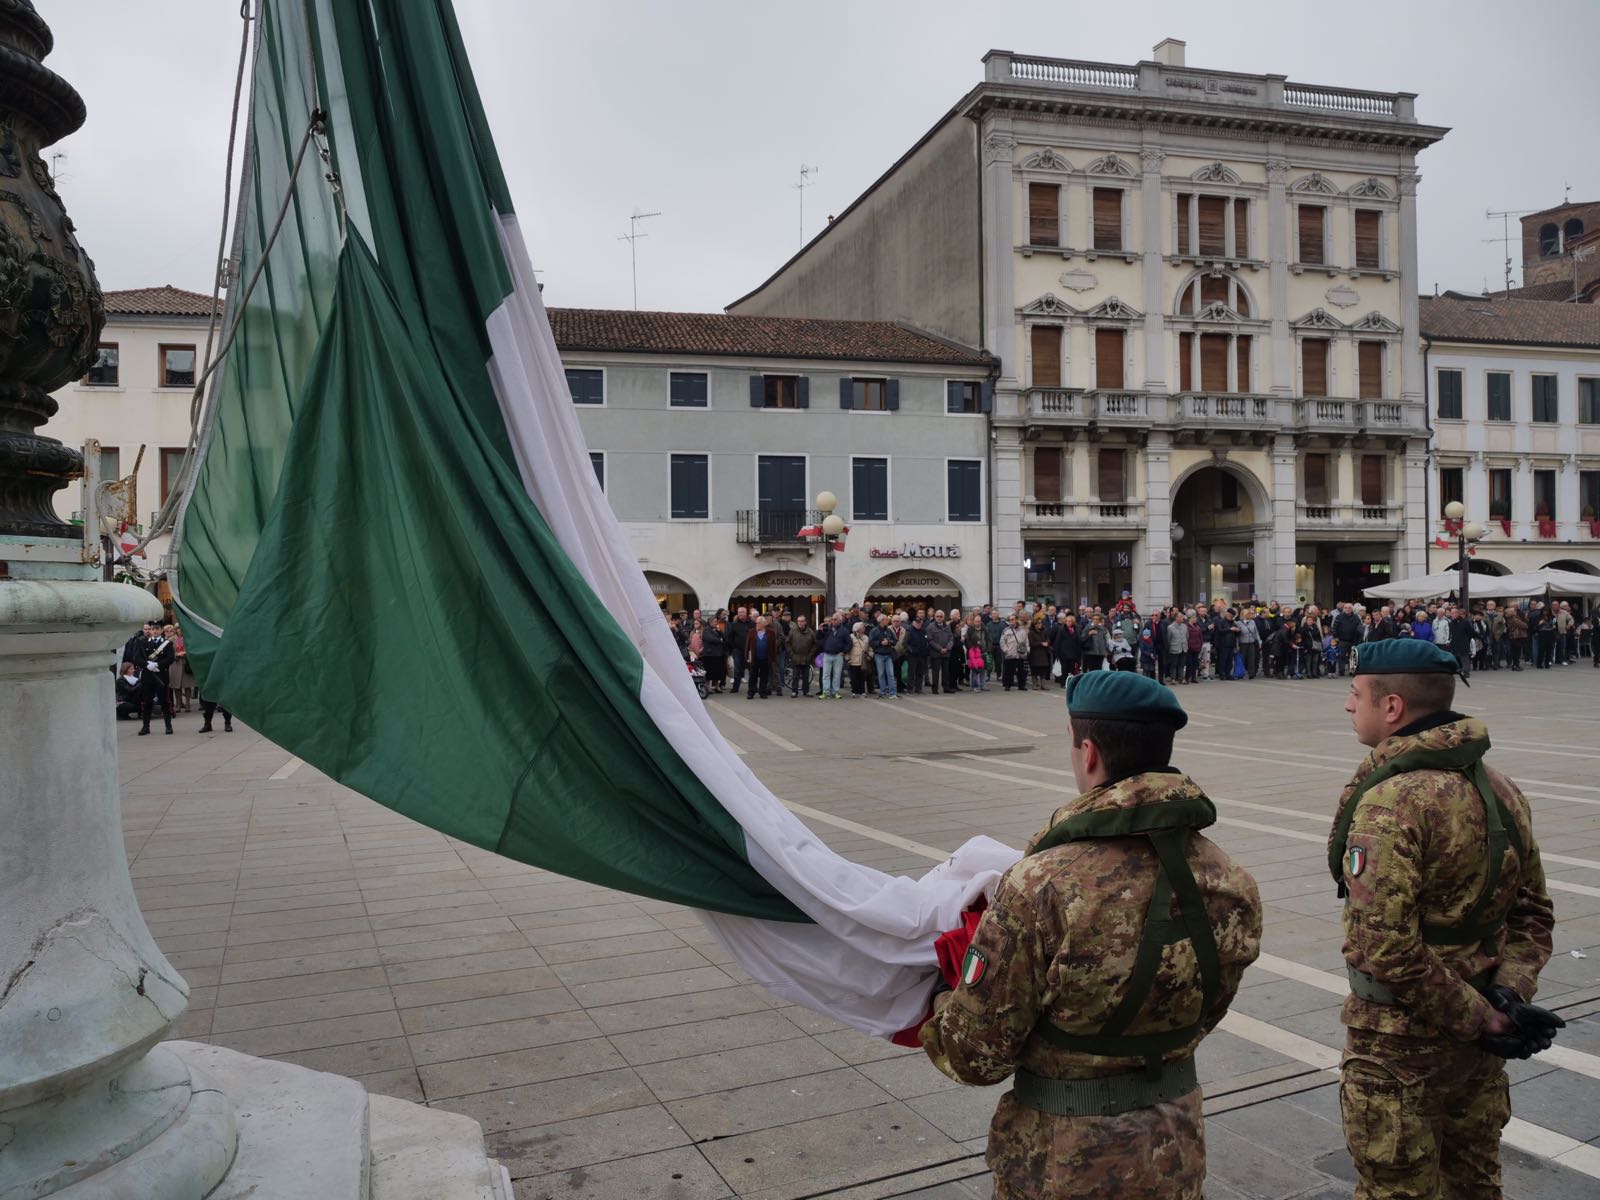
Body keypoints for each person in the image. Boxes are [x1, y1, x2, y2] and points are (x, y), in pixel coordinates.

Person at [920, 672, 1262, 1199]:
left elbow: (976, 1056)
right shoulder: (1230, 879)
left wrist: (940, 1002)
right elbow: (1205, 1008)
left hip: (1060, 1161)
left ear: (1089, 752)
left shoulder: (1043, 884)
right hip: (1173, 1149)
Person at [1332, 640, 1559, 1199]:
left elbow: (1383, 946)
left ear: (1391, 708)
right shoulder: (1500, 787)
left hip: (1397, 1051)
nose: (1346, 705)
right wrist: (1506, 994)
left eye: (1354, 694)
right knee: (1476, 1185)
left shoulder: (1391, 802)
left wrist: (1478, 1017)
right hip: (1481, 1050)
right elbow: (1533, 912)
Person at [137, 624, 176, 735]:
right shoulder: (143, 642)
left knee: (165, 702)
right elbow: (137, 657)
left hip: (161, 676)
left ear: (161, 630)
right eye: (152, 629)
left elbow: (170, 658)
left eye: (157, 629)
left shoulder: (167, 644)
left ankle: (168, 726)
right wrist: (146, 665)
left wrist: (157, 664)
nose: (154, 631)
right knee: (147, 702)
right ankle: (145, 726)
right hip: (147, 676)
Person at [820, 612, 851, 700]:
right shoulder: (827, 629)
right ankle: (826, 692)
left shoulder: (844, 631)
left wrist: (844, 651)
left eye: (835, 619)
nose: (832, 621)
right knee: (826, 674)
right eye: (832, 619)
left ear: (840, 621)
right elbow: (818, 638)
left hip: (838, 655)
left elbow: (849, 643)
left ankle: (835, 692)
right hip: (827, 654)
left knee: (837, 675)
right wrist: (820, 630)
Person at [785, 614, 817, 698]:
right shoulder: (793, 631)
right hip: (796, 657)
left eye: (802, 621)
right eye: (798, 621)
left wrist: (811, 654)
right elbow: (787, 643)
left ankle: (806, 691)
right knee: (795, 676)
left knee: (806, 676)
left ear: (805, 622)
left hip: (806, 657)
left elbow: (815, 644)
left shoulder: (810, 631)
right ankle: (794, 691)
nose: (800, 623)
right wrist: (791, 654)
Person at [868, 613, 898, 699]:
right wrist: (880, 643)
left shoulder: (888, 630)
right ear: (881, 621)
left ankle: (893, 693)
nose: (887, 621)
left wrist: (888, 642)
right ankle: (883, 692)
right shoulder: (874, 631)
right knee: (881, 674)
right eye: (886, 619)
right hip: (879, 655)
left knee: (890, 674)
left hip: (888, 655)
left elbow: (895, 641)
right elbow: (871, 642)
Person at [743, 616, 774, 699]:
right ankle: (751, 692)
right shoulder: (751, 632)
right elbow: (747, 645)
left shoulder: (771, 632)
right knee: (753, 676)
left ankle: (762, 692)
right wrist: (746, 657)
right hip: (754, 658)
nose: (757, 625)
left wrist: (773, 658)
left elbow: (773, 646)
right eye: (756, 623)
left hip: (765, 658)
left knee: (764, 676)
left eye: (759, 623)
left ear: (764, 624)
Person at [846, 621, 871, 696]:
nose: (864, 629)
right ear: (858, 629)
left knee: (862, 676)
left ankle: (862, 691)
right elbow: (848, 648)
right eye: (863, 627)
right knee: (854, 677)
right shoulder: (851, 636)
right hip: (853, 659)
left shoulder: (866, 637)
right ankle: (854, 691)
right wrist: (847, 658)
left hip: (863, 660)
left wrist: (870, 655)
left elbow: (870, 648)